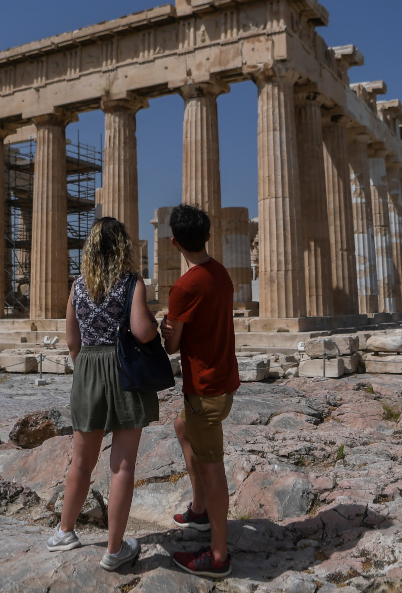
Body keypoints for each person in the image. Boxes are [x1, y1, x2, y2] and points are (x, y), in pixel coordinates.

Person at [47, 217, 160, 571]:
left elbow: (71, 339)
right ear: (123, 248)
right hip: (123, 369)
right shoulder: (131, 283)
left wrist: (85, 369)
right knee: (122, 464)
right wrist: (158, 325)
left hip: (87, 370)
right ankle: (114, 550)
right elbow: (142, 331)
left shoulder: (77, 285)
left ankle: (65, 531)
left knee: (82, 461)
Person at [160, 204, 240, 579]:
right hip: (223, 382)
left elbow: (172, 347)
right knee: (181, 427)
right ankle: (199, 509)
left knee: (214, 471)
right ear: (208, 236)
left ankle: (218, 556)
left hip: (205, 389)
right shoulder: (221, 274)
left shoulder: (184, 287)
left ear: (174, 243)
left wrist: (166, 330)